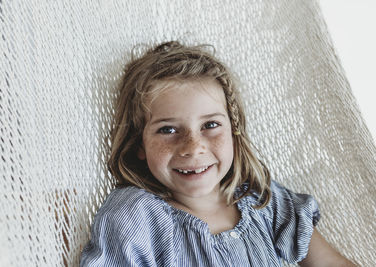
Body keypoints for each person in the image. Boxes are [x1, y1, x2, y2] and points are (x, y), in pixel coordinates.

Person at [80, 41, 355, 266]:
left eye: (210, 125)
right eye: (167, 130)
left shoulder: (262, 199)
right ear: (138, 143)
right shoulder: (135, 217)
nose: (193, 146)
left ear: (234, 131)